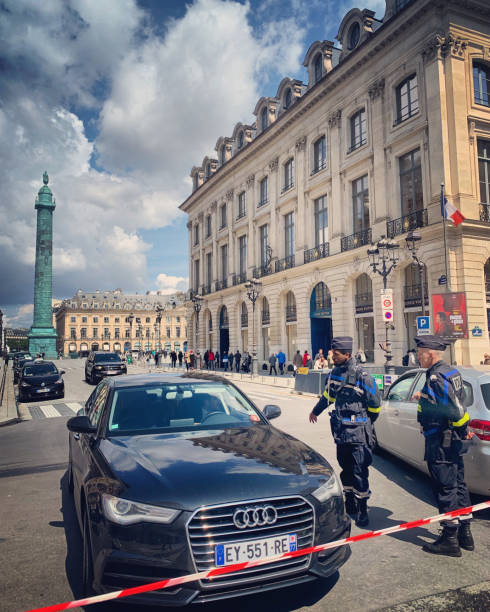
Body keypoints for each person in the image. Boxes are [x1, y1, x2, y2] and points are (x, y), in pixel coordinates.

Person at [309, 336, 381, 527]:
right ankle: (350, 503)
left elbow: (375, 403)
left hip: (358, 434)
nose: (333, 356)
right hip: (341, 432)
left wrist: (365, 422)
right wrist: (316, 410)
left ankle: (363, 509)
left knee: (360, 471)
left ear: (347, 354)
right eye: (332, 353)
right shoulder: (333, 374)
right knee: (345, 468)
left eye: (336, 354)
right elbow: (327, 396)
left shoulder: (362, 375)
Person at [412, 335, 474, 557]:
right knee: (458, 485)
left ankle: (449, 539)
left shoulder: (436, 377)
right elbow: (461, 399)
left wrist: (459, 428)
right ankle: (465, 534)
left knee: (445, 489)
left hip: (441, 441)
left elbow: (455, 411)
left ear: (430, 354)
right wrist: (462, 432)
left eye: (420, 354)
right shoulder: (451, 372)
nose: (418, 358)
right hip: (452, 441)